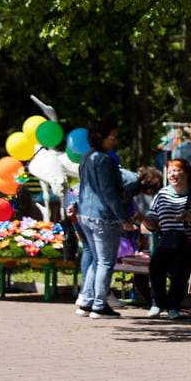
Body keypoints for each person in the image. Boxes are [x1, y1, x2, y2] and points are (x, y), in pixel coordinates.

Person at [133, 159, 191, 319]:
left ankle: (173, 305)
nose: (173, 175)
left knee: (180, 269)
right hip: (166, 243)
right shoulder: (161, 194)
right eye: (170, 172)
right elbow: (153, 222)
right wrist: (142, 218)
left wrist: (189, 217)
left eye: (176, 171)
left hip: (189, 245)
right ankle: (157, 303)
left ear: (186, 173)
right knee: (155, 267)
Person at [74, 118, 135, 319]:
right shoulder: (104, 159)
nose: (114, 141)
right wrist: (123, 216)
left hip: (84, 213)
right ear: (103, 137)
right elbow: (109, 193)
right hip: (103, 217)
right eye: (113, 137)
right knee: (106, 262)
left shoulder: (86, 156)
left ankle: (86, 300)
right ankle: (99, 304)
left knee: (96, 259)